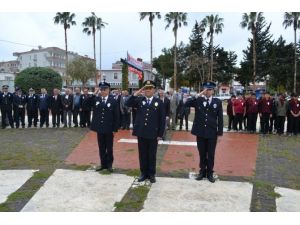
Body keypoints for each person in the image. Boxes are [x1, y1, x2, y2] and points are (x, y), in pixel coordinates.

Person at [126, 80, 165, 183]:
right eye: (146, 88)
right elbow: (127, 103)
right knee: (142, 154)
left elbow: (162, 119)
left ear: (154, 90)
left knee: (152, 155)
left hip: (153, 134)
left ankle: (151, 174)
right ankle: (143, 173)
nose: (148, 90)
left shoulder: (159, 102)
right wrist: (136, 93)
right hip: (141, 133)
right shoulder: (139, 100)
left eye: (150, 88)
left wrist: (160, 134)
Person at [185, 81, 223, 183]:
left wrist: (219, 134)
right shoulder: (199, 100)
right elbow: (186, 103)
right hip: (200, 132)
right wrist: (198, 95)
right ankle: (202, 172)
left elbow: (220, 119)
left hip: (212, 133)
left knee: (210, 154)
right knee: (202, 153)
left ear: (213, 91)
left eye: (209, 90)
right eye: (206, 89)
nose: (207, 91)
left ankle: (209, 172)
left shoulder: (217, 102)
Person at [91, 82, 120, 172]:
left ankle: (109, 165)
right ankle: (103, 164)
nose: (103, 91)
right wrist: (94, 94)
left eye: (105, 89)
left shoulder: (113, 101)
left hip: (109, 129)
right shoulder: (96, 99)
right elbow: (85, 104)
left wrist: (115, 129)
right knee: (101, 147)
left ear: (108, 90)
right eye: (101, 89)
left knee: (109, 148)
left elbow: (117, 116)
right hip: (100, 129)